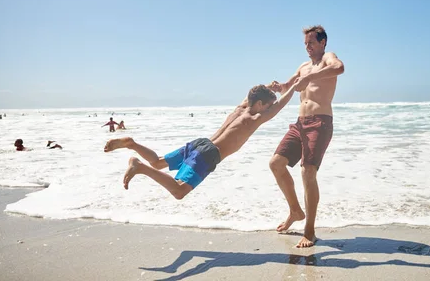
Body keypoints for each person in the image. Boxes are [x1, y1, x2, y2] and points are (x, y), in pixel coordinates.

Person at [103, 82, 299, 199]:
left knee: (158, 162)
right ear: (259, 104)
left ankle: (132, 144)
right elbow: (279, 106)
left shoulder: (240, 109)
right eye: (267, 105)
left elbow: (254, 94)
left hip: (201, 143)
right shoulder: (254, 119)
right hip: (209, 154)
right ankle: (139, 166)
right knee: (179, 191)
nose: (268, 109)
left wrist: (268, 87)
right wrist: (293, 87)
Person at [268, 25, 345, 248]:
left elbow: (339, 68)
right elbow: (287, 88)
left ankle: (309, 231)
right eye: (305, 44)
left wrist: (310, 77)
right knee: (276, 163)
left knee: (308, 172)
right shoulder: (303, 66)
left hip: (320, 122)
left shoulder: (329, 58)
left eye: (311, 43)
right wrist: (279, 86)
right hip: (300, 124)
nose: (308, 47)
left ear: (323, 42)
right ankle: (295, 210)